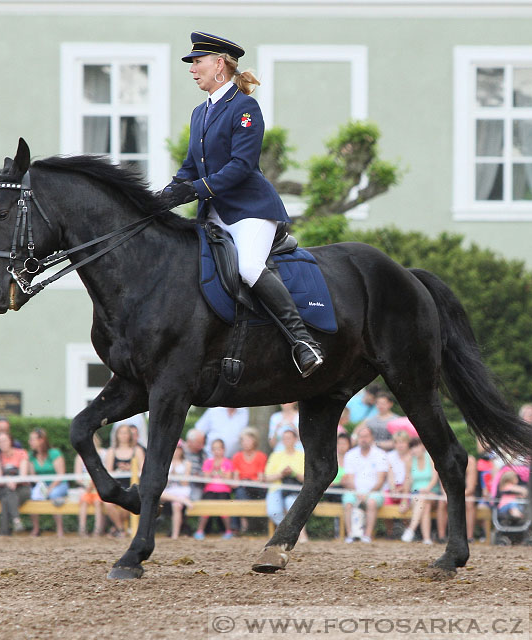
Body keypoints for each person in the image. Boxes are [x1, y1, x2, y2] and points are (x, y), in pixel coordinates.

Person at [158, 31, 322, 377]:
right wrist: (165, 196)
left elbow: (241, 165)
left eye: (197, 62)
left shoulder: (245, 107)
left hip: (251, 210)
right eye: (191, 63)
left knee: (248, 267)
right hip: (215, 213)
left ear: (219, 65)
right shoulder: (200, 112)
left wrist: (197, 188)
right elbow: (190, 165)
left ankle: (303, 341)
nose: (192, 69)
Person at [341, 426, 389, 544]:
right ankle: (351, 534)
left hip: (374, 492)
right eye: (361, 437)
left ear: (372, 438)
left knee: (371, 503)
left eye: (366, 436)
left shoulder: (380, 454)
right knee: (348, 503)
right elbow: (350, 478)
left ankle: (367, 535)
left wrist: (367, 493)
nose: (363, 439)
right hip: (355, 491)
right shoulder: (350, 454)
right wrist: (358, 492)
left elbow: (381, 480)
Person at [263, 429, 306, 540]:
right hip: (276, 488)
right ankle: (290, 532)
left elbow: (307, 478)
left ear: (295, 440)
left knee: (291, 503)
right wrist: (281, 474)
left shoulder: (302, 456)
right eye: (284, 438)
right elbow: (266, 477)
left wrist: (293, 473)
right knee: (274, 512)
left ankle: (297, 534)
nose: (286, 441)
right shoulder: (275, 455)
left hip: (295, 489)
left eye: (289, 438)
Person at [104, 423, 145, 537]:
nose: (123, 435)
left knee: (128, 504)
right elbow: (109, 470)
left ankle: (115, 528)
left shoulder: (137, 450)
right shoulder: (112, 451)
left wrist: (130, 468)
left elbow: (142, 469)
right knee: (108, 505)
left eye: (126, 433)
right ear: (117, 435)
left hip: (132, 484)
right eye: (121, 433)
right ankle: (120, 529)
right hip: (117, 484)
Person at [28, 428, 69, 537]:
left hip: (58, 484)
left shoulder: (54, 453)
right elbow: (32, 475)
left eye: (32, 439)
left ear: (41, 440)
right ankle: (36, 528)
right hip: (42, 485)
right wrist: (40, 485)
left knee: (54, 495)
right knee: (33, 496)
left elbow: (60, 474)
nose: (30, 442)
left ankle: (60, 530)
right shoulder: (31, 456)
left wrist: (49, 489)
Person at [0, 431, 31, 536]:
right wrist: (8, 481)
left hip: (21, 489)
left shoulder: (21, 453)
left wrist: (14, 481)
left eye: (4, 440)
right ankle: (16, 520)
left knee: (6, 500)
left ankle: (4, 533)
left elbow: (23, 475)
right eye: (0, 442)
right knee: (8, 492)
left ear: (10, 441)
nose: (2, 444)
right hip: (3, 488)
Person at [400, 438, 440, 545]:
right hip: (416, 494)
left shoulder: (430, 458)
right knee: (424, 505)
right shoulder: (409, 461)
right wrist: (404, 500)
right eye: (412, 447)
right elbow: (407, 482)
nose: (414, 450)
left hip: (432, 492)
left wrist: (427, 489)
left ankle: (411, 529)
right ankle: (426, 538)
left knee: (423, 499)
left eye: (416, 446)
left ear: (422, 446)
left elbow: (434, 478)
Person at [229, 429, 267, 534]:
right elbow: (236, 479)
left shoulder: (261, 456)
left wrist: (248, 482)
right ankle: (242, 523)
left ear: (254, 441)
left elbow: (260, 478)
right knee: (240, 491)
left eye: (248, 440)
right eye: (243, 441)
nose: (245, 443)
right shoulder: (237, 457)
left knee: (241, 491)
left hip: (257, 489)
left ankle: (240, 525)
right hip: (243, 488)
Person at [197, 438, 234, 540]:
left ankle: (228, 531)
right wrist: (213, 470)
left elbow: (229, 480)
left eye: (219, 449)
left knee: (224, 509)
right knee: (205, 509)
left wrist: (220, 473)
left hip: (224, 490)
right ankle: (200, 531)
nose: (217, 452)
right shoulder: (208, 462)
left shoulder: (228, 462)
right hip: (210, 490)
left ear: (223, 450)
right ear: (212, 451)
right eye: (214, 449)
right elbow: (205, 479)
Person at [75, 433, 106, 537]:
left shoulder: (103, 453)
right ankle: (82, 529)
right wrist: (86, 485)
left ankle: (98, 530)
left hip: (98, 487)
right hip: (86, 488)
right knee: (84, 501)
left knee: (98, 502)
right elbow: (77, 476)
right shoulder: (80, 456)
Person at [160, 443, 192, 540]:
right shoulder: (165, 463)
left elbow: (185, 483)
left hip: (181, 490)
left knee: (176, 505)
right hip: (168, 490)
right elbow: (161, 481)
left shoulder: (187, 464)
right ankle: (182, 501)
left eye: (178, 449)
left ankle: (175, 534)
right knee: (159, 494)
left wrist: (175, 474)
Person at [182, 429, 208, 502]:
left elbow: (205, 469)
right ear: (190, 441)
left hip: (196, 484)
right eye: (199, 442)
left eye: (203, 443)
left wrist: (200, 475)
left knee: (195, 499)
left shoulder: (203, 454)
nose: (202, 445)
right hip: (181, 483)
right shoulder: (181, 451)